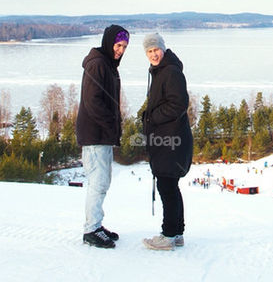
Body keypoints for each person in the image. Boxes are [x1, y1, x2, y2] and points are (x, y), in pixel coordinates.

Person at [76, 24, 129, 249]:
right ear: (109, 42)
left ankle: (96, 225)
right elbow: (92, 101)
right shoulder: (98, 64)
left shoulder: (107, 64)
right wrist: (110, 124)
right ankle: (91, 230)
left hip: (101, 134)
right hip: (95, 134)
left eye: (124, 47)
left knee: (102, 182)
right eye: (118, 45)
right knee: (98, 183)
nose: (120, 50)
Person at [141, 32, 193, 251]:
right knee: (171, 185)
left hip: (171, 140)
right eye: (149, 51)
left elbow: (178, 103)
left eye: (156, 50)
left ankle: (169, 234)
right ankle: (177, 233)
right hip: (168, 138)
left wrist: (152, 117)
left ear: (163, 48)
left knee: (166, 186)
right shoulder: (161, 71)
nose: (153, 54)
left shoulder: (170, 72)